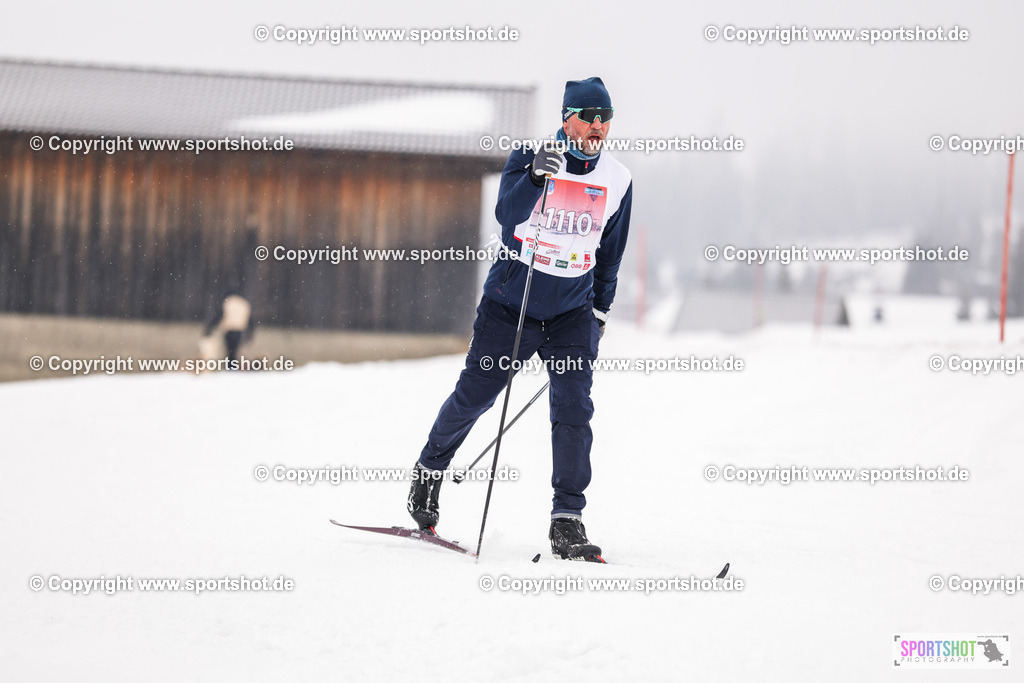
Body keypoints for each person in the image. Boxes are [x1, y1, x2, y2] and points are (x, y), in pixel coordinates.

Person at [407, 77, 633, 561]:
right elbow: (507, 216)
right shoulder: (529, 158)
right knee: (475, 397)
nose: (597, 127)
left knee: (573, 409)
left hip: (571, 312)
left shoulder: (619, 180)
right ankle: (429, 470)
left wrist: (598, 314)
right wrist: (533, 177)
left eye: (605, 118)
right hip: (513, 303)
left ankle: (566, 520)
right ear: (566, 118)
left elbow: (609, 255)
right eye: (588, 117)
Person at [203, 289, 255, 366]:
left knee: (229, 351)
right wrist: (250, 333)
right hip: (239, 330)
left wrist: (210, 328)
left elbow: (219, 315)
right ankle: (233, 367)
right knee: (235, 351)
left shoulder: (228, 302)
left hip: (229, 329)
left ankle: (230, 367)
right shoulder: (244, 303)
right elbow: (250, 320)